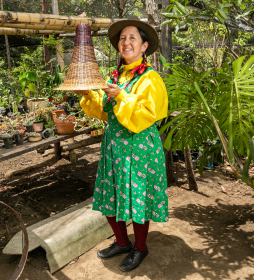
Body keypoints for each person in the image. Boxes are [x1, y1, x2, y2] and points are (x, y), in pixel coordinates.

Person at [75, 16, 169, 272]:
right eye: (122, 39)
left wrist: (122, 96)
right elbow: (105, 112)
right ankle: (121, 241)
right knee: (110, 195)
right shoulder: (116, 76)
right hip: (114, 147)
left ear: (144, 46)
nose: (126, 42)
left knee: (137, 199)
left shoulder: (151, 79)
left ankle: (140, 247)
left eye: (132, 38)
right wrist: (89, 94)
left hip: (140, 148)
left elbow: (148, 115)